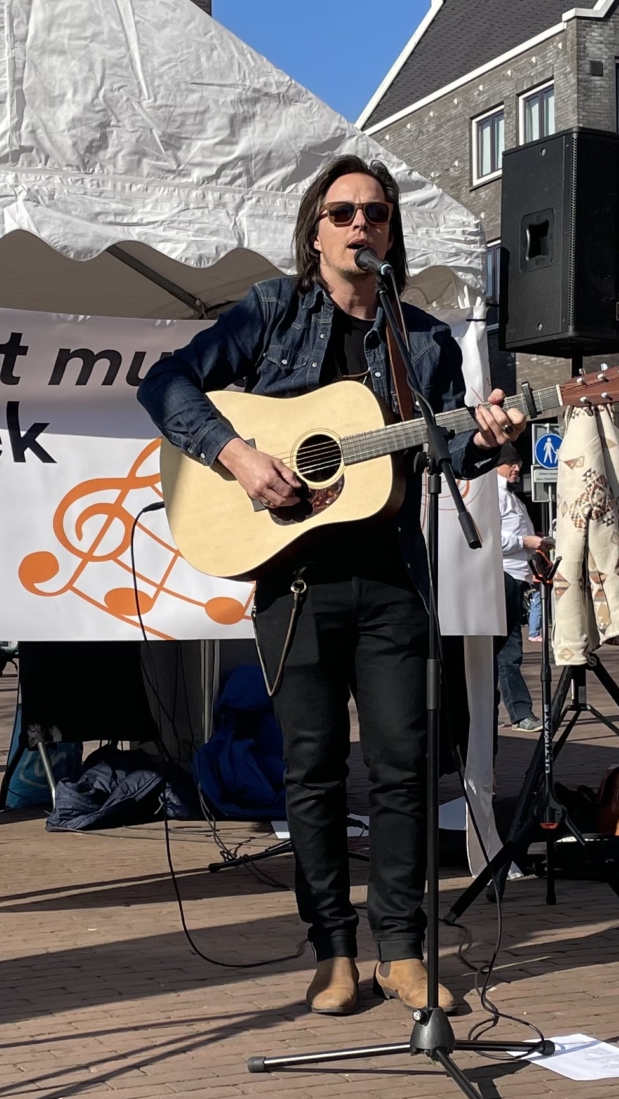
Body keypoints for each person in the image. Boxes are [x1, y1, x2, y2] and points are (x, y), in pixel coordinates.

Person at [137, 156, 526, 1016]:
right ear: (315, 230)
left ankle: (402, 948)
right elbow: (162, 383)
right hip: (295, 581)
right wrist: (236, 454)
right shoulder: (273, 313)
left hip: (392, 582)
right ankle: (332, 950)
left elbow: (449, 449)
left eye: (377, 215)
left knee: (404, 768)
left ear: (391, 233)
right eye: (344, 213)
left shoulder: (420, 340)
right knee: (309, 771)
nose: (362, 227)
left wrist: (495, 435)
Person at [493, 454, 547, 730]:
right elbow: (488, 537)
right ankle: (521, 713)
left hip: (516, 578)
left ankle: (493, 713)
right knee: (507, 649)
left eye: (519, 462)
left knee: (502, 649)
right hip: (501, 578)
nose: (517, 467)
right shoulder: (493, 495)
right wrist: (524, 541)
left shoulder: (513, 499)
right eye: (512, 462)